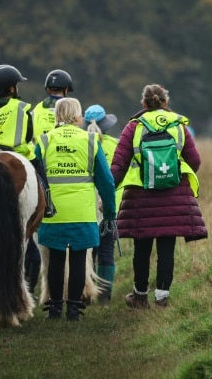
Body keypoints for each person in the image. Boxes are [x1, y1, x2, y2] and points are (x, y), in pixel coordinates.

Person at [110, 84, 207, 308]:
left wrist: (106, 191)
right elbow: (195, 161)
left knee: (141, 248)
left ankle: (140, 295)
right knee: (167, 249)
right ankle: (162, 298)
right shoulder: (178, 126)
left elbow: (119, 165)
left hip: (140, 198)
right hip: (173, 196)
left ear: (143, 103)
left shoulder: (133, 127)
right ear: (165, 102)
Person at [36, 98, 116, 321]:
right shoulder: (90, 140)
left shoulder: (44, 140)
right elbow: (107, 182)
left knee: (56, 259)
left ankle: (54, 309)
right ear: (78, 117)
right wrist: (109, 213)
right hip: (82, 211)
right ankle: (73, 309)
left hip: (53, 212)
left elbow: (35, 178)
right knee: (79, 258)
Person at [0, 64, 56, 220]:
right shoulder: (20, 107)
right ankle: (48, 203)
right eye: (16, 85)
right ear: (10, 89)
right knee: (39, 169)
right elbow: (28, 135)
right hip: (17, 152)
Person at [84, 103, 121, 304]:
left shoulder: (81, 143)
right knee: (106, 250)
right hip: (106, 204)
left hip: (84, 206)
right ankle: (104, 297)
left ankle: (84, 294)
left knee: (84, 250)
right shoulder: (116, 145)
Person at [30, 69, 74, 141]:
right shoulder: (71, 108)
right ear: (66, 90)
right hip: (61, 149)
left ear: (48, 89)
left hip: (37, 149)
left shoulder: (37, 108)